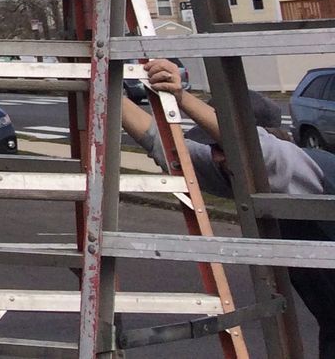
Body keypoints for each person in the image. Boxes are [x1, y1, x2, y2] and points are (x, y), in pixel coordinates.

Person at [120, 58, 335, 354]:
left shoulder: (307, 169)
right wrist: (106, 93)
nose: (216, 157)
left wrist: (181, 96)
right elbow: (164, 145)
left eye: (220, 147)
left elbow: (256, 149)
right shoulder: (246, 179)